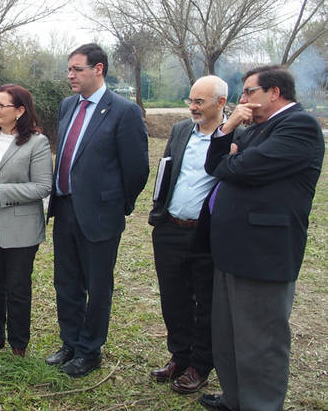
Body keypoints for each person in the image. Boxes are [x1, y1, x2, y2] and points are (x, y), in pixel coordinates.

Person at [198, 66, 324, 411]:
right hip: (232, 248)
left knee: (261, 341)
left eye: (249, 92)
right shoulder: (257, 128)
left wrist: (234, 158)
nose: (243, 100)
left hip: (263, 254)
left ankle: (261, 404)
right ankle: (236, 397)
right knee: (228, 334)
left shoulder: (299, 127)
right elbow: (216, 164)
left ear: (275, 92)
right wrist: (227, 130)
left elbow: (238, 168)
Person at [46, 43, 149, 377]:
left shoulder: (123, 111)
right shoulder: (66, 106)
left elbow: (136, 169)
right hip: (64, 208)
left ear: (99, 69)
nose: (70, 75)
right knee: (66, 282)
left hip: (100, 214)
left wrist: (118, 204)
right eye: (69, 69)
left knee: (97, 285)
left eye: (77, 69)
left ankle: (90, 351)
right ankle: (70, 343)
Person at [148, 76, 232, 394]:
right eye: (190, 101)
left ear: (221, 103)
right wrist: (159, 210)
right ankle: (179, 357)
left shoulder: (236, 135)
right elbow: (168, 170)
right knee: (173, 299)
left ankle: (200, 365)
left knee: (205, 304)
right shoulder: (182, 130)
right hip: (170, 227)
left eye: (200, 102)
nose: (193, 108)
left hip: (206, 236)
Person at [0, 84, 52, 358]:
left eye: (1, 105)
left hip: (22, 227)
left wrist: (2, 191)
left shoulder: (37, 142)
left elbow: (42, 186)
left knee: (17, 286)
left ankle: (19, 341)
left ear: (19, 111)